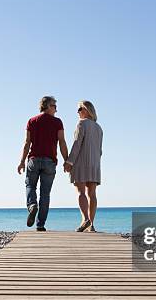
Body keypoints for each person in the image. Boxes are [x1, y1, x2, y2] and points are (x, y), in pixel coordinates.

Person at [17, 96, 69, 231]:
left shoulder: (32, 121)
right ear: (46, 106)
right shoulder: (57, 122)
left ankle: (32, 205)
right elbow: (62, 142)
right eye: (54, 106)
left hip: (33, 160)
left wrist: (22, 161)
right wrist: (66, 160)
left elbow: (27, 143)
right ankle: (40, 225)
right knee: (45, 194)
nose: (56, 110)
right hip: (49, 161)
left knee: (30, 186)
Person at [63, 100, 103, 232]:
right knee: (92, 194)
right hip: (95, 164)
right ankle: (91, 225)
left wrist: (69, 162)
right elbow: (100, 150)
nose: (78, 112)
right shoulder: (99, 128)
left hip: (81, 162)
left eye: (80, 109)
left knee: (81, 192)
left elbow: (77, 143)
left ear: (86, 110)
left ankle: (85, 219)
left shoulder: (82, 123)